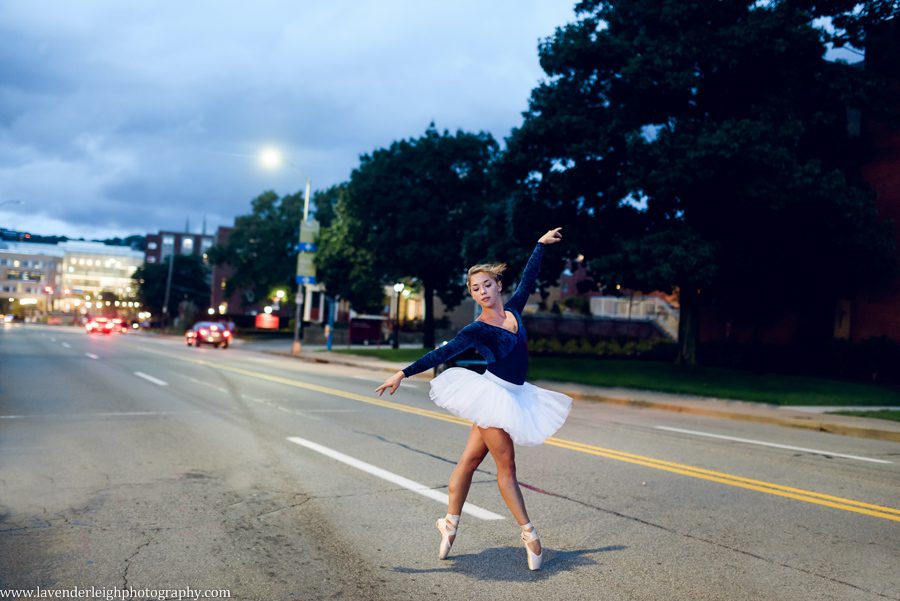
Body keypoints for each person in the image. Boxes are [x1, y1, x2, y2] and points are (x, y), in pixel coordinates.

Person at [376, 228, 572, 571]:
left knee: (468, 462)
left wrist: (539, 245)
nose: (481, 291)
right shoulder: (476, 329)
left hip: (516, 394)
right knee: (507, 467)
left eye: (486, 285)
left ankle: (449, 525)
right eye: (474, 288)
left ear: (498, 286)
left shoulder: (514, 310)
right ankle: (530, 535)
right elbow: (444, 353)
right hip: (493, 396)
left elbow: (528, 277)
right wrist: (402, 373)